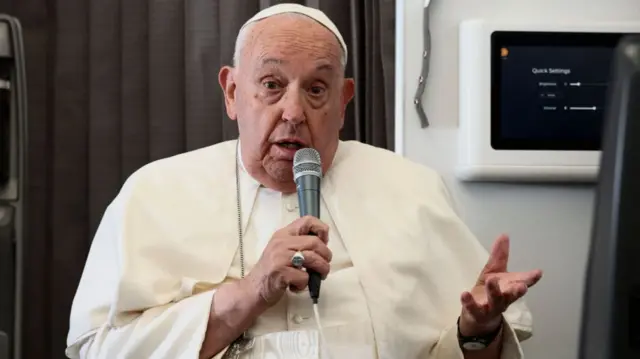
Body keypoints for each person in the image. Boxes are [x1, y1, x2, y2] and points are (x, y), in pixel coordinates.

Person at [65, 3, 543, 359]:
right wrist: (248, 294)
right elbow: (97, 347)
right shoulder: (154, 193)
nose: (293, 113)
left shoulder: (413, 190)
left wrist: (476, 331)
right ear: (233, 92)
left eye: (316, 89)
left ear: (343, 100)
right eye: (272, 85)